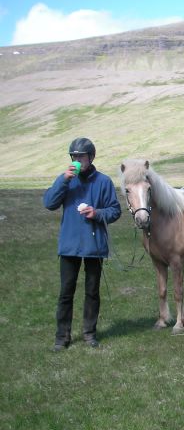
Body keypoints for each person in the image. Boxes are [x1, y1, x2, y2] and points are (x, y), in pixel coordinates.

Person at [43, 137, 121, 351]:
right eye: (74, 156)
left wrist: (97, 213)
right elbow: (49, 203)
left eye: (81, 156)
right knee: (66, 293)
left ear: (91, 157)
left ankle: (89, 333)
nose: (77, 160)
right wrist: (63, 180)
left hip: (94, 246)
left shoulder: (103, 182)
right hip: (69, 246)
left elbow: (115, 211)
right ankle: (62, 337)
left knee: (92, 292)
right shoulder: (66, 179)